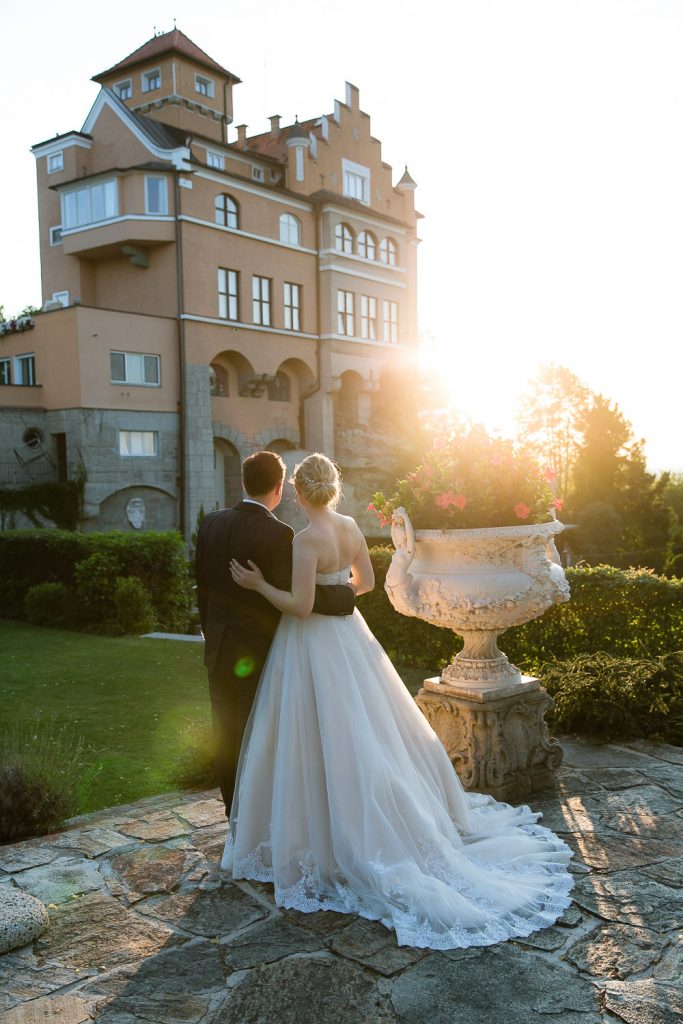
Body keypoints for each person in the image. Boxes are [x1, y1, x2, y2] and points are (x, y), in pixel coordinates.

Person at [223, 452, 574, 951]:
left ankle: (324, 834)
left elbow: (299, 607)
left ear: (299, 493)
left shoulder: (305, 539)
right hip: (349, 637)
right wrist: (338, 591)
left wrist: (259, 584)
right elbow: (365, 584)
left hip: (310, 643)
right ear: (333, 490)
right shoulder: (349, 528)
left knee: (316, 729)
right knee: (363, 729)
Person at [194, 450, 355, 815]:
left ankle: (234, 814)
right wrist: (345, 595)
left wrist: (209, 632)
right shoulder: (279, 534)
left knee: (225, 735)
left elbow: (203, 588)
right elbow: (299, 598)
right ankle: (255, 817)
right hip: (260, 653)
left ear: (243, 482)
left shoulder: (211, 523)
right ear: (280, 488)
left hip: (219, 650)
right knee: (256, 736)